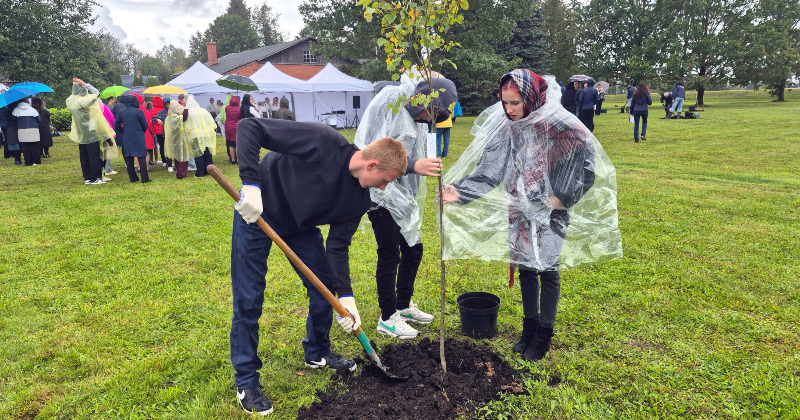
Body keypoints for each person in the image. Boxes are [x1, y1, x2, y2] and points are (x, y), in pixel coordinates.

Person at [440, 69, 620, 362]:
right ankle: (529, 326)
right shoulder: (507, 125)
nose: (509, 110)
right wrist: (460, 192)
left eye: (515, 103)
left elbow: (587, 170)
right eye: (504, 102)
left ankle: (544, 333)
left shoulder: (562, 125)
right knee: (525, 267)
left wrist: (562, 199)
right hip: (519, 208)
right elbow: (491, 170)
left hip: (552, 212)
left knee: (547, 269)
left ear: (530, 97)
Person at [231, 118, 408, 415]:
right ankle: (246, 380)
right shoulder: (323, 141)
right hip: (258, 212)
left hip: (301, 226)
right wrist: (250, 184)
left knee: (323, 288)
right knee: (248, 299)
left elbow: (337, 247)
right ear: (372, 165)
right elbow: (250, 128)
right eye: (385, 179)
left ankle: (317, 351)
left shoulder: (359, 200)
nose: (384, 186)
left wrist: (347, 297)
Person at [351, 74, 455, 339]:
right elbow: (374, 157)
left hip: (404, 195)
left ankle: (403, 305)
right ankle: (387, 317)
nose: (431, 118)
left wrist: (424, 163)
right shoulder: (394, 108)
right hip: (381, 193)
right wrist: (414, 166)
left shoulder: (416, 117)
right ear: (420, 99)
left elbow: (415, 150)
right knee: (390, 253)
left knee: (414, 250)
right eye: (431, 111)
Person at [66, 78, 117, 185]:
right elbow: (97, 93)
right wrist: (84, 83)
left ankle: (87, 178)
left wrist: (77, 84)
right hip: (90, 132)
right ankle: (95, 178)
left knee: (84, 156)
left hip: (80, 132)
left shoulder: (70, 101)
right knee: (94, 156)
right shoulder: (83, 101)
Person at [114, 95, 151, 183]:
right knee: (141, 156)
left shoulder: (121, 112)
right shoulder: (139, 111)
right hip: (138, 136)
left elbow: (116, 125)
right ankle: (144, 178)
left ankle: (133, 178)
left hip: (127, 136)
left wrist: (123, 131)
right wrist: (141, 131)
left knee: (128, 157)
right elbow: (145, 124)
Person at [182, 95, 217, 178]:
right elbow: (211, 123)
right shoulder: (204, 111)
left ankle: (200, 172)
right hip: (206, 134)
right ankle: (209, 170)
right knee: (207, 153)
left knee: (198, 153)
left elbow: (186, 126)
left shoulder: (190, 112)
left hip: (195, 135)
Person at [163, 99, 191, 179]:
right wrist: (185, 109)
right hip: (179, 139)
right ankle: (181, 174)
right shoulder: (174, 117)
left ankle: (180, 173)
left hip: (175, 139)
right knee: (181, 157)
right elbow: (184, 117)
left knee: (178, 157)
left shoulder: (170, 116)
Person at [11, 98, 41, 166]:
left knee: (25, 146)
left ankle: (28, 162)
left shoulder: (16, 110)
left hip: (22, 129)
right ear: (27, 101)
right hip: (33, 129)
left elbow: (13, 119)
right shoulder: (32, 109)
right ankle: (36, 161)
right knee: (34, 146)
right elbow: (38, 119)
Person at [154, 97, 174, 172]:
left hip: (174, 133)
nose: (168, 105)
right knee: (167, 149)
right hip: (166, 134)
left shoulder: (173, 112)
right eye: (166, 103)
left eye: (169, 103)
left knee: (175, 149)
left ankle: (176, 164)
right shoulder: (161, 112)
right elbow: (153, 118)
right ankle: (169, 164)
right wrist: (157, 119)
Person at [149, 96, 169, 169]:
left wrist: (153, 130)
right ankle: (168, 160)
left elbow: (151, 120)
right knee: (168, 146)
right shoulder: (164, 111)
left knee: (161, 146)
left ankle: (164, 161)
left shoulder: (152, 110)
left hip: (157, 132)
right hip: (166, 131)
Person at [100, 99, 117, 178]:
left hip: (97, 131)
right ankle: (107, 169)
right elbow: (111, 117)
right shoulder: (104, 106)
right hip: (107, 130)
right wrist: (113, 128)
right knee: (108, 150)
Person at [224, 95, 241, 164]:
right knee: (237, 144)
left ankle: (233, 159)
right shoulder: (240, 109)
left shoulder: (227, 108)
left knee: (230, 144)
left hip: (228, 127)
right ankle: (237, 159)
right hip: (236, 127)